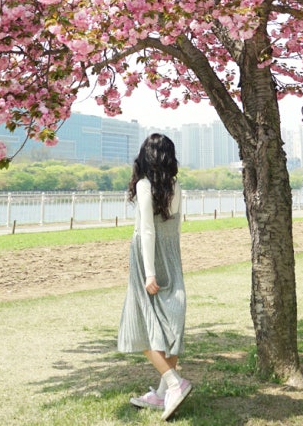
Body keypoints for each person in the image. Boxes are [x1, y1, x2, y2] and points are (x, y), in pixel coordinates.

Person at [118, 133, 192, 421]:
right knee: (172, 322)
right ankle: (163, 394)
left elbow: (148, 231)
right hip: (171, 254)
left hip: (146, 256)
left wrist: (149, 272)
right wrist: (169, 262)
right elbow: (174, 228)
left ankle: (174, 384)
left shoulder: (144, 185)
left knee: (139, 322)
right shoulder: (176, 186)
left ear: (145, 157)